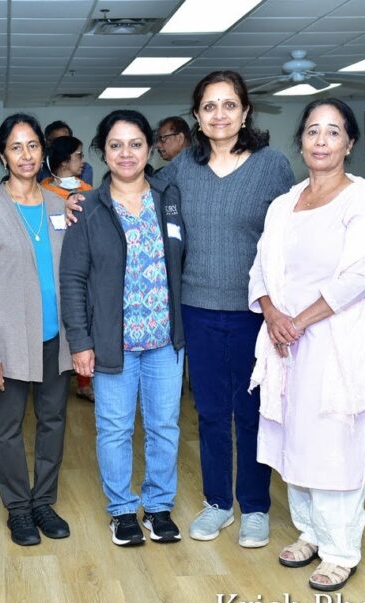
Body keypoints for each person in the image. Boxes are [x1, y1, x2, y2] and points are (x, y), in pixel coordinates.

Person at [248, 97, 365, 591]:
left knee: (334, 441)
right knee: (295, 437)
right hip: (285, 340)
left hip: (333, 339)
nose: (322, 141)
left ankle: (341, 549)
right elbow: (259, 269)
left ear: (349, 143)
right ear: (301, 141)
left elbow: (357, 277)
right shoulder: (283, 204)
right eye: (312, 131)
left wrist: (299, 321)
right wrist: (274, 315)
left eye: (333, 132)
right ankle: (310, 530)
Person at [158, 70, 294, 547]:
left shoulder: (272, 165)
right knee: (211, 412)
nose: (220, 114)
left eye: (229, 104)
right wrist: (78, 201)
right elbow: (131, 192)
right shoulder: (182, 167)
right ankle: (217, 502)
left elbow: (295, 233)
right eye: (210, 106)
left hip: (255, 310)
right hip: (196, 307)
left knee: (253, 411)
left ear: (245, 111)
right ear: (197, 116)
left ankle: (254, 506)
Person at [60, 110, 186, 547]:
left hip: (165, 341)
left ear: (150, 148)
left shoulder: (169, 198)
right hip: (113, 342)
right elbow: (72, 279)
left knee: (164, 426)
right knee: (114, 429)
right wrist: (80, 341)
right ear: (103, 152)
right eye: (116, 145)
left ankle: (158, 506)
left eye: (135, 144)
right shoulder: (87, 207)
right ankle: (121, 511)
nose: (126, 153)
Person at [0, 114, 73, 547]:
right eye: (16, 147)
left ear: (42, 151)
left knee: (53, 421)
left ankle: (43, 500)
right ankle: (17, 507)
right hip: (8, 342)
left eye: (32, 145)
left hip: (55, 338)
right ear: (2, 156)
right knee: (9, 427)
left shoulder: (59, 205)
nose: (25, 155)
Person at [40, 135, 94, 403]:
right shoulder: (42, 191)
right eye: (78, 155)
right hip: (50, 268)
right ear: (63, 162)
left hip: (81, 268)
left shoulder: (89, 191)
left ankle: (85, 381)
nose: (82, 161)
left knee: (83, 321)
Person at [39, 120, 93, 186]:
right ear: (47, 143)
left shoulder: (84, 168)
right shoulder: (38, 168)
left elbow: (87, 191)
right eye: (57, 142)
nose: (61, 146)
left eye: (65, 141)